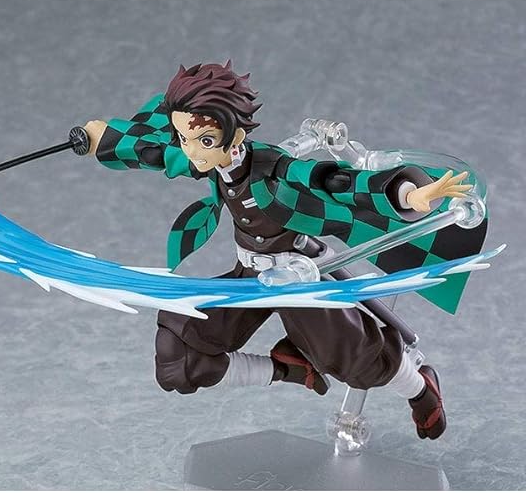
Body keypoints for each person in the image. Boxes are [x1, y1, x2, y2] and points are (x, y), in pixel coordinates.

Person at [81, 61, 485, 440]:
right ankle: (288, 369)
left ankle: (420, 386)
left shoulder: (274, 171)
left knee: (360, 364)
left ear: (235, 135)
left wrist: (407, 193)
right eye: (186, 138)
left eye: (203, 140)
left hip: (299, 279)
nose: (192, 151)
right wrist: (105, 139)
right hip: (251, 278)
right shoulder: (210, 158)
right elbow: (158, 152)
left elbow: (333, 181)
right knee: (180, 355)